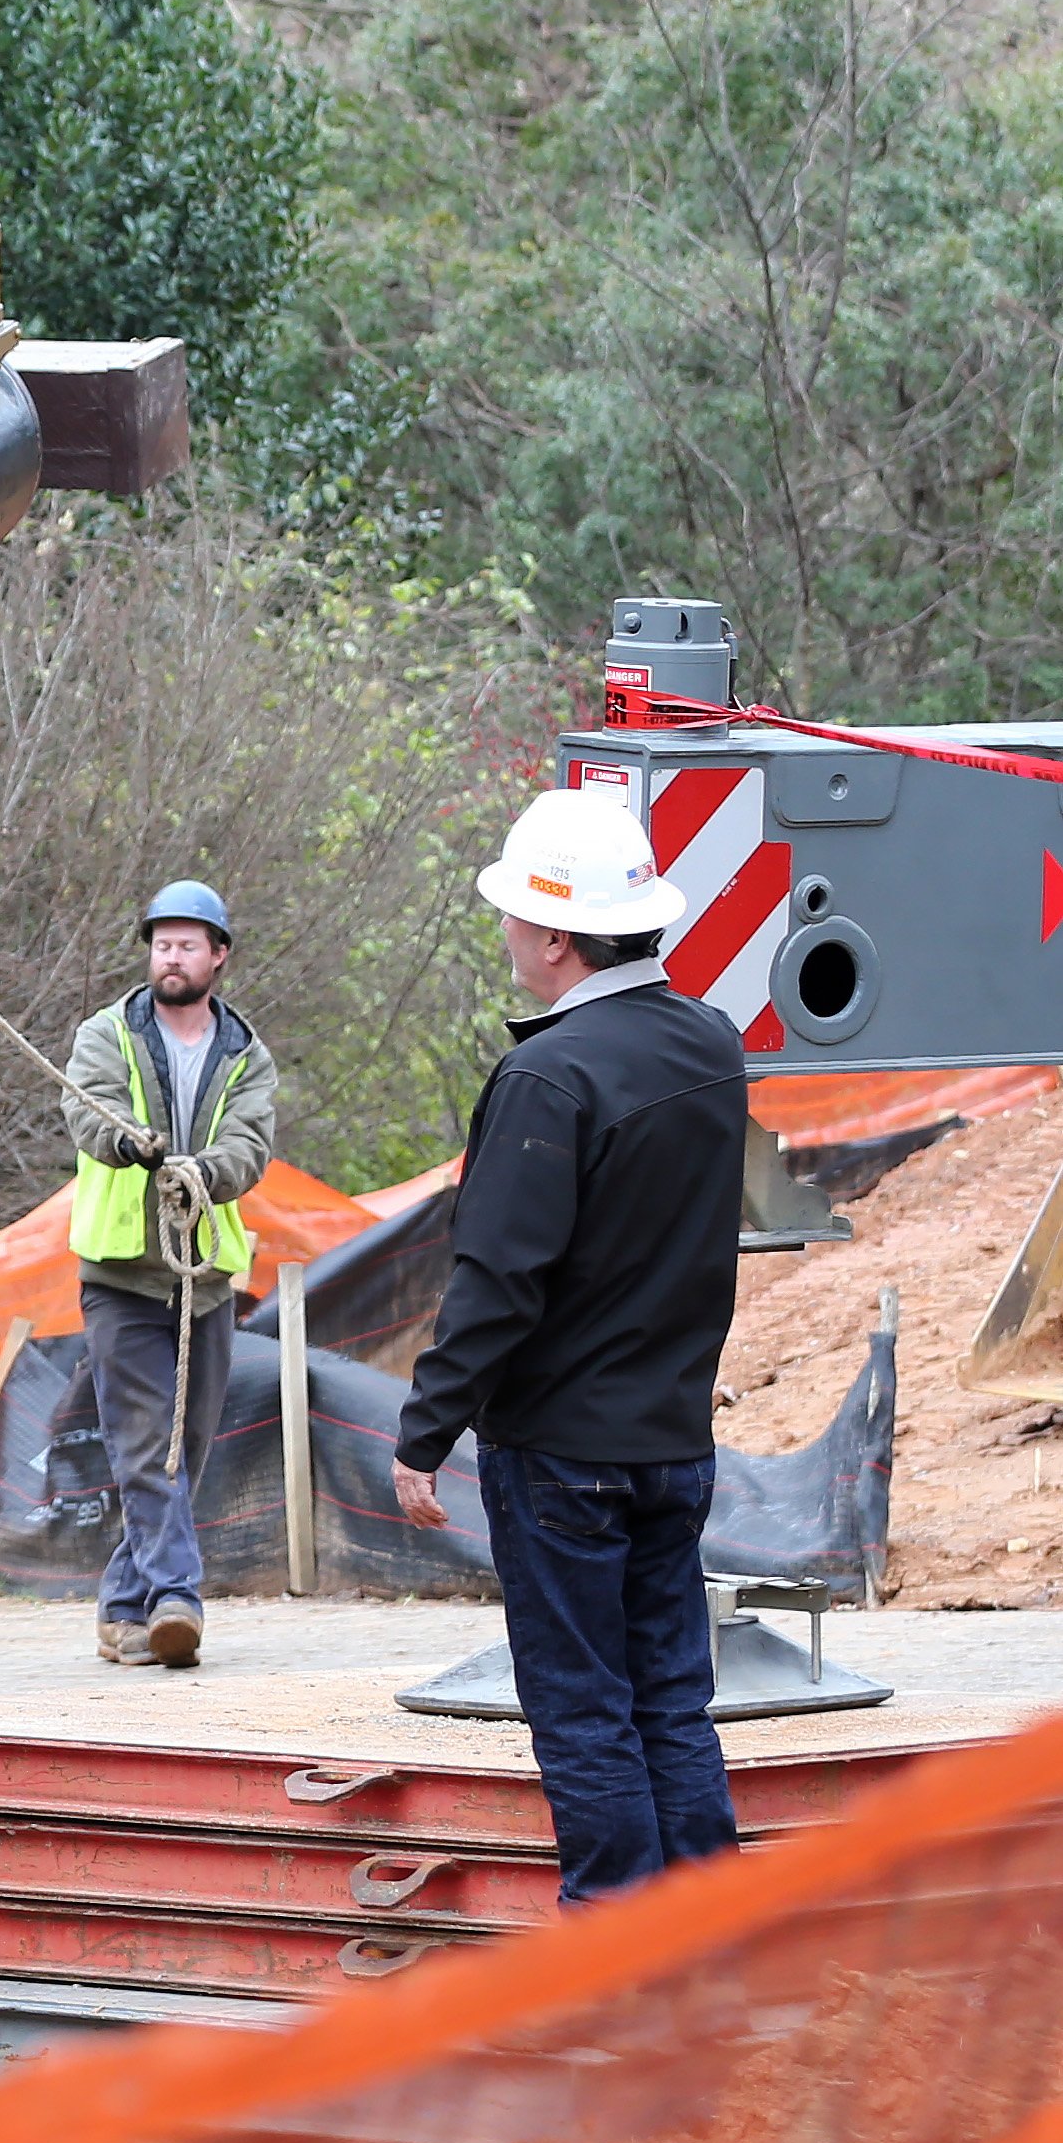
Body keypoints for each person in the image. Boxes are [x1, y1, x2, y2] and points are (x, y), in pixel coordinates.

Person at [393, 788, 748, 1902]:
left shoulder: (551, 1075)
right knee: (670, 1703)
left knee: (586, 1711)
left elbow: (498, 1281)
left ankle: (617, 1964)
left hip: (562, 1458)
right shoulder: (711, 1045)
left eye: (513, 914)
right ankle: (713, 1945)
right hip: (671, 1442)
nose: (506, 932)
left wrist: (423, 1431)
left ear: (554, 934)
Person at [63, 877, 280, 1672]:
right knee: (147, 1442)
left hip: (206, 1277)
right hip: (121, 1276)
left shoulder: (247, 1056)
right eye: (162, 942)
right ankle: (177, 1597)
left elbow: (251, 1145)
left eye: (189, 943)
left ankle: (123, 1607)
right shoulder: (105, 1034)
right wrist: (135, 1145)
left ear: (219, 957)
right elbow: (88, 1112)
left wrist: (202, 1171)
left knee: (185, 1446)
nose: (172, 956)